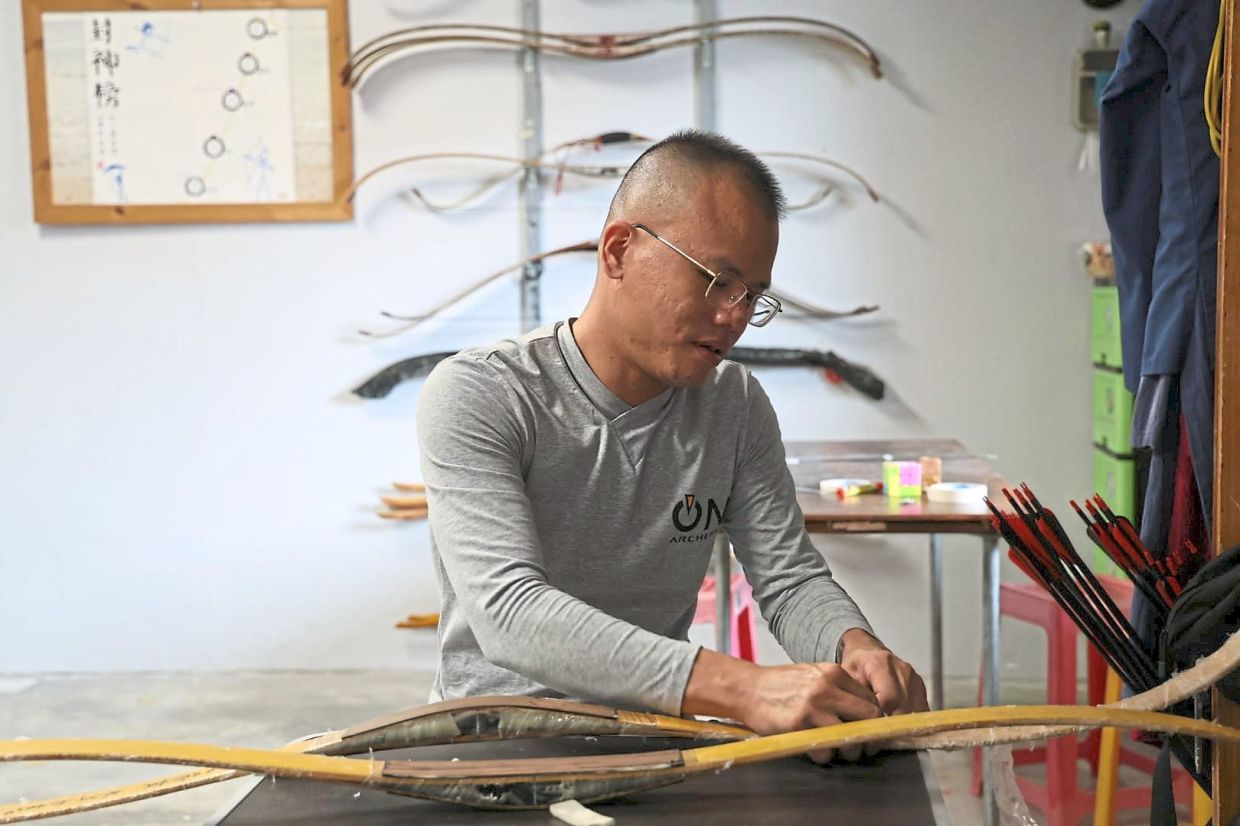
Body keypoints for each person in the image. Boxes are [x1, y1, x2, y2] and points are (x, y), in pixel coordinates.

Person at [417, 129, 927, 761]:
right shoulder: (482, 393)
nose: (736, 317)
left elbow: (789, 578)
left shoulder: (733, 405)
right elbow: (509, 612)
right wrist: (741, 688)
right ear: (619, 251)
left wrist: (855, 648)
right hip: (493, 750)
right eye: (718, 281)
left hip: (655, 746)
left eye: (753, 297)